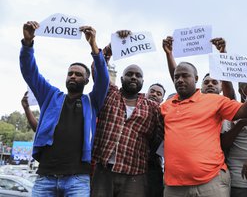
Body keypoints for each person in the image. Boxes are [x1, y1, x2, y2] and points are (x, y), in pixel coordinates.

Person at [161, 37, 247, 197]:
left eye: (185, 76)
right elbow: (179, 75)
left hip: (210, 183)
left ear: (195, 80)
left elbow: (246, 112)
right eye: (177, 78)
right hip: (174, 186)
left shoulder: (214, 101)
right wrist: (169, 55)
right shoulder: (166, 106)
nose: (180, 80)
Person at [20, 21, 109, 196]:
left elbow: (104, 80)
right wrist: (27, 43)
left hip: (77, 180)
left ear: (86, 80)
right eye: (70, 73)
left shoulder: (92, 101)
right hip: (45, 177)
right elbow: (30, 73)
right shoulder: (50, 95)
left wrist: (93, 45)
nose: (73, 76)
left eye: (78, 74)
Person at [91, 30, 164, 197]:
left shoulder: (152, 108)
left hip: (135, 174)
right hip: (103, 171)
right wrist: (112, 46)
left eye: (138, 75)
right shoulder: (109, 94)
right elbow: (97, 68)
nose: (133, 77)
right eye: (129, 74)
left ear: (143, 82)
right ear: (121, 78)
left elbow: (157, 139)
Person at [145, 83, 166, 197]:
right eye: (152, 91)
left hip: (153, 166)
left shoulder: (164, 117)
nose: (154, 94)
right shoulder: (134, 110)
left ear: (162, 99)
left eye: (158, 94)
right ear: (146, 93)